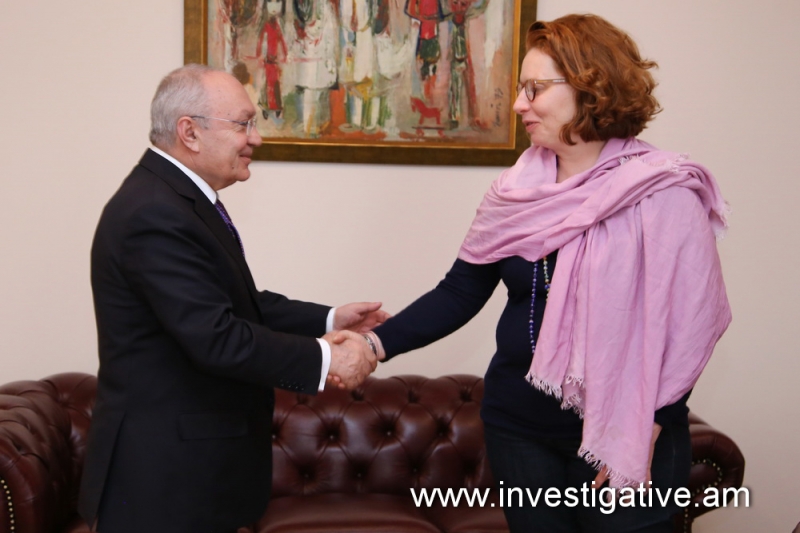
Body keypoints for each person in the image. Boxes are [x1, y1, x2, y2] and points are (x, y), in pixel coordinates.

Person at [360, 14, 731, 532]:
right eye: (520, 89)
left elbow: (691, 321)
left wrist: (656, 420)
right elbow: (459, 292)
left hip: (625, 428)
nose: (519, 104)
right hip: (519, 430)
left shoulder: (662, 192)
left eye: (534, 89)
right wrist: (372, 345)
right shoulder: (515, 192)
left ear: (591, 87)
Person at [77, 64, 387, 533]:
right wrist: (329, 359)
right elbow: (217, 338)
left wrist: (329, 319)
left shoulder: (175, 199)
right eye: (243, 124)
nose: (255, 138)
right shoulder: (155, 212)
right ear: (190, 132)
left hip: (189, 472)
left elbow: (237, 304)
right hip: (163, 480)